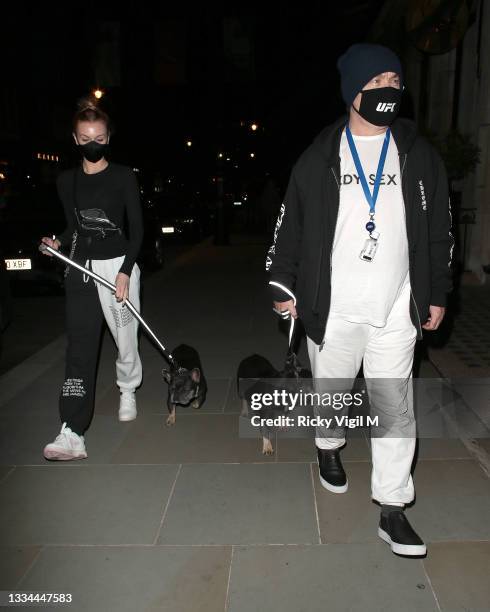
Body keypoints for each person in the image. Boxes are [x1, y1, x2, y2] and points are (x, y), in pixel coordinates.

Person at [266, 44, 453, 556]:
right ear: (353, 92)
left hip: (397, 307)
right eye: (377, 82)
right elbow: (290, 226)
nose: (389, 90)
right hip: (333, 308)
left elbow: (439, 228)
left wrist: (436, 291)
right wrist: (283, 283)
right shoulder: (320, 156)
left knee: (396, 407)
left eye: (395, 79)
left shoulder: (418, 154)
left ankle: (392, 509)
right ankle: (328, 446)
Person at [40, 97, 144, 460]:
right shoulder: (66, 180)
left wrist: (125, 271)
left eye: (98, 136)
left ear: (108, 137)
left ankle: (127, 388)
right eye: (85, 138)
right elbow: (74, 227)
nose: (92, 143)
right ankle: (72, 431)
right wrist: (58, 241)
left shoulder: (123, 176)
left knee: (124, 337)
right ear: (75, 139)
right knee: (79, 350)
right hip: (82, 269)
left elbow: (138, 231)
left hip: (118, 265)